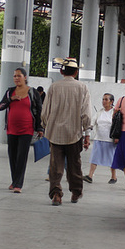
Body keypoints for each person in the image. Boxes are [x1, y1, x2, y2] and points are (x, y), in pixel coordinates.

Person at [41, 57, 92, 206]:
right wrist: (87, 133)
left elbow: (45, 112)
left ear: (62, 71)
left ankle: (56, 193)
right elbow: (86, 113)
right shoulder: (82, 87)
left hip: (55, 133)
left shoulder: (54, 87)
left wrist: (45, 126)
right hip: (74, 134)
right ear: (76, 72)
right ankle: (76, 192)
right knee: (74, 164)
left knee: (55, 166)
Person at [0, 67, 43, 193]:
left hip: (26, 129)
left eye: (19, 76)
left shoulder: (32, 92)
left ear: (25, 77)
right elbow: (0, 106)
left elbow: (39, 111)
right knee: (12, 156)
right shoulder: (9, 92)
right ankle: (14, 180)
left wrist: (40, 128)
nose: (16, 78)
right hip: (11, 129)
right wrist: (10, 99)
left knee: (21, 157)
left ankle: (18, 184)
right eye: (14, 76)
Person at [83, 93, 118, 184]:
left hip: (110, 140)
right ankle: (90, 176)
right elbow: (93, 122)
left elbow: (118, 125)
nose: (104, 101)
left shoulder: (115, 112)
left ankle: (113, 177)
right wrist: (87, 129)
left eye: (106, 99)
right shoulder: (100, 112)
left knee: (111, 159)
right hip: (99, 138)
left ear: (112, 101)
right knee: (94, 157)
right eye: (103, 99)